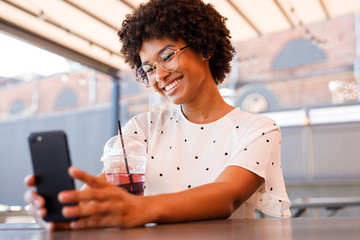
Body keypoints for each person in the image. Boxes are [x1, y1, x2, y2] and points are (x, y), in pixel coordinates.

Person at [24, 0, 291, 230]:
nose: (160, 75)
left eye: (167, 56)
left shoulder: (258, 129)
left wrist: (142, 209)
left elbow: (227, 196)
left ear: (205, 48)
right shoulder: (143, 127)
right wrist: (72, 212)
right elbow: (103, 195)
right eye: (148, 69)